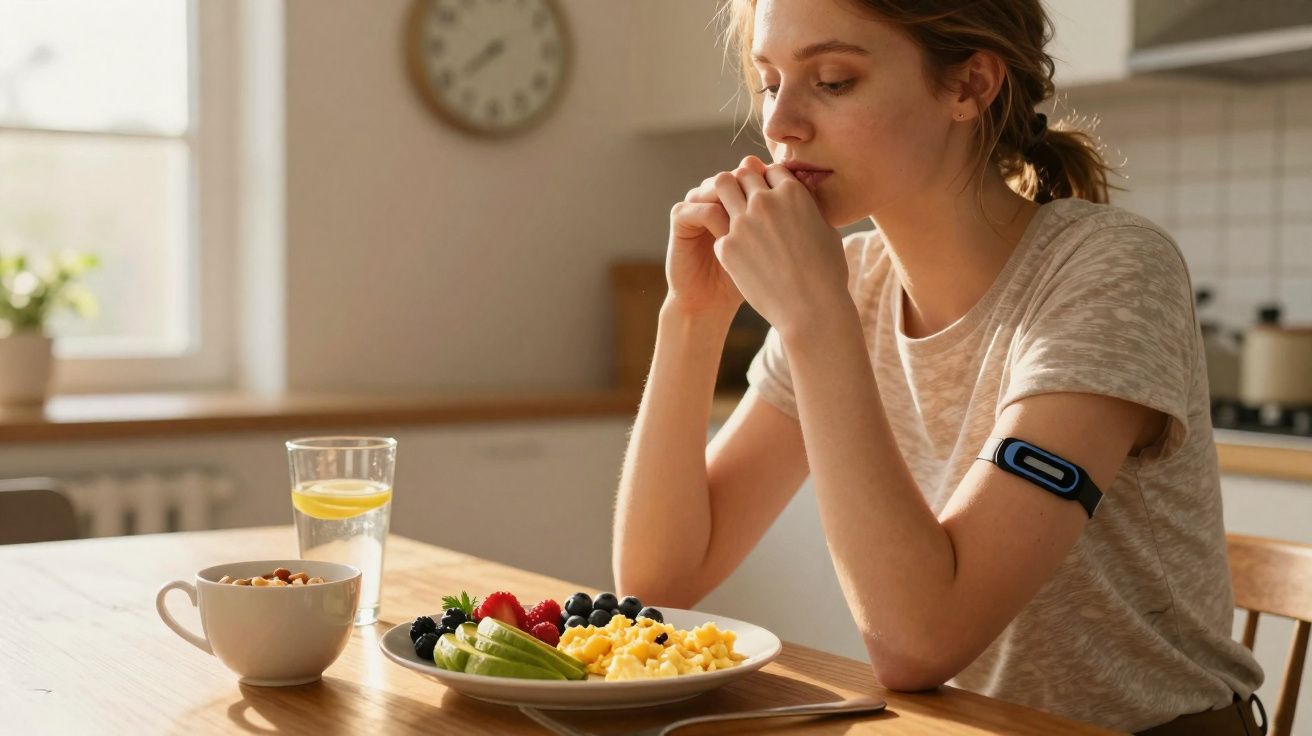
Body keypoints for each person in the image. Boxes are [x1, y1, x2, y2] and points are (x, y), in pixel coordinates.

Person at [610, 1, 1267, 733]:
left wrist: (815, 320)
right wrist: (693, 316)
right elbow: (661, 579)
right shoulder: (854, 282)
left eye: (832, 80)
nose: (780, 122)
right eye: (769, 82)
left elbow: (919, 643)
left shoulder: (1109, 270)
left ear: (969, 86)